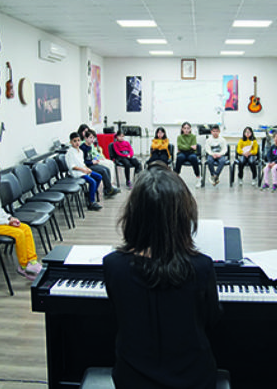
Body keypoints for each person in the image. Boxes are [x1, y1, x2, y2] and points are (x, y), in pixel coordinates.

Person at [103, 163, 221, 388]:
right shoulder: (201, 266)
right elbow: (211, 318)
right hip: (192, 380)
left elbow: (118, 314)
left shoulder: (113, 265)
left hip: (132, 379)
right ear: (183, 216)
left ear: (134, 215)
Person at [66, 131, 103, 211]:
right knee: (92, 181)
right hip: (77, 173)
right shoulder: (70, 153)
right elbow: (72, 167)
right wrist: (84, 170)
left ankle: (90, 194)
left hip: (83, 170)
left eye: (78, 140)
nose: (77, 143)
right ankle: (91, 202)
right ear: (70, 142)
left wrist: (87, 168)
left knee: (99, 177)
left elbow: (82, 163)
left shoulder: (80, 152)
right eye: (74, 141)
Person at [82, 129, 120, 197]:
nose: (92, 140)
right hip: (87, 166)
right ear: (85, 138)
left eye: (93, 138)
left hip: (92, 163)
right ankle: (109, 189)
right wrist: (91, 162)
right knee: (103, 171)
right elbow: (83, 161)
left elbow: (91, 157)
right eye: (90, 138)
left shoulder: (90, 146)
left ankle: (107, 189)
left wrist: (95, 160)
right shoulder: (83, 148)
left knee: (107, 169)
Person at [174, 121, 202, 187]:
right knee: (180, 158)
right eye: (185, 128)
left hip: (191, 153)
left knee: (194, 158)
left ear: (190, 129)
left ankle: (198, 178)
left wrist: (184, 147)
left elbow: (194, 148)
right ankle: (176, 177)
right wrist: (190, 146)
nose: (186, 130)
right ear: (182, 129)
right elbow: (179, 146)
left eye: (188, 128)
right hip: (182, 153)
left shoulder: (193, 136)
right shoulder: (179, 137)